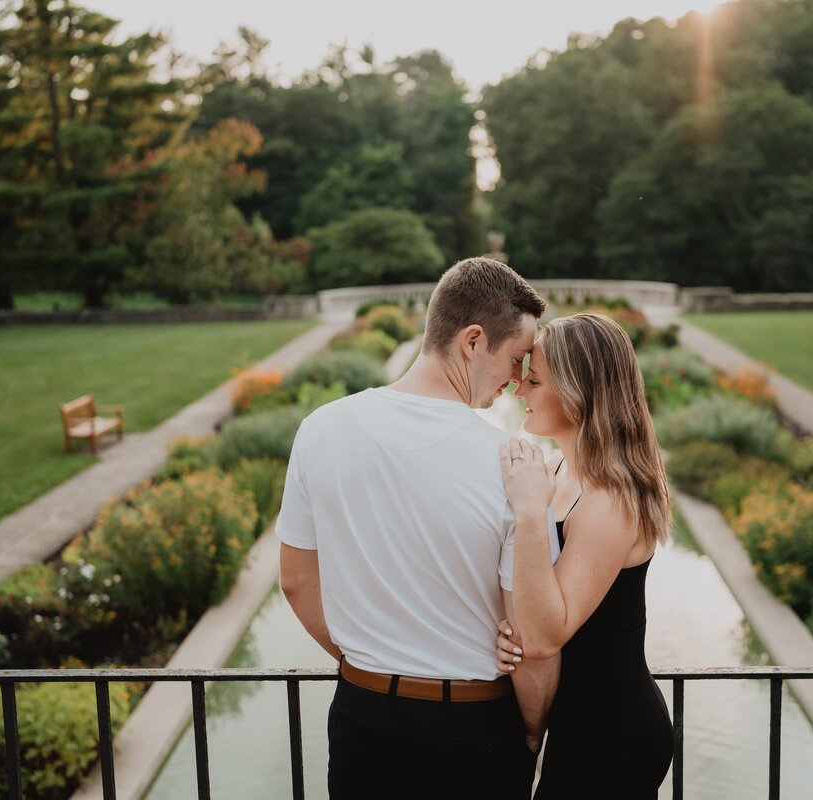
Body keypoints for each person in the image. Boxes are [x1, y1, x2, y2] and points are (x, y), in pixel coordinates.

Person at [275, 257, 558, 799]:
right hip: (477, 729)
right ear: (473, 342)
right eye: (519, 358)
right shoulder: (516, 465)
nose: (519, 379)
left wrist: (371, 669)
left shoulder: (320, 429)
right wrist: (530, 731)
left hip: (363, 719)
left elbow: (296, 582)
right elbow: (525, 635)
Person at [496, 311, 676, 798]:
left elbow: (547, 633)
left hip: (612, 735)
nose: (519, 392)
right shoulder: (558, 468)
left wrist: (530, 513)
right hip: (576, 722)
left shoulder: (608, 499)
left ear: (578, 393)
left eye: (533, 381)